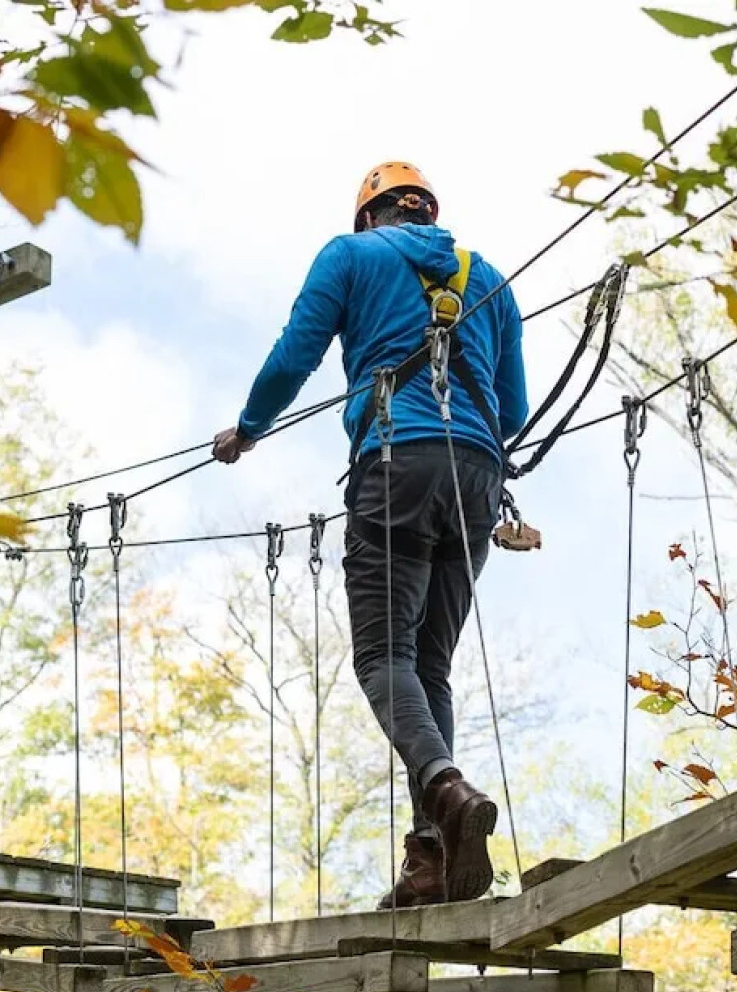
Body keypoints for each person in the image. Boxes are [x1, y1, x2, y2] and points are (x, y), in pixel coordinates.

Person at [213, 162, 527, 909]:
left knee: (383, 657)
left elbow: (296, 353)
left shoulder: (349, 256)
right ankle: (432, 861)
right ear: (426, 215)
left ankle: (446, 790)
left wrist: (249, 429)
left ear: (370, 218)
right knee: (429, 668)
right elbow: (512, 410)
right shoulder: (488, 278)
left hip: (397, 463)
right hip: (478, 480)